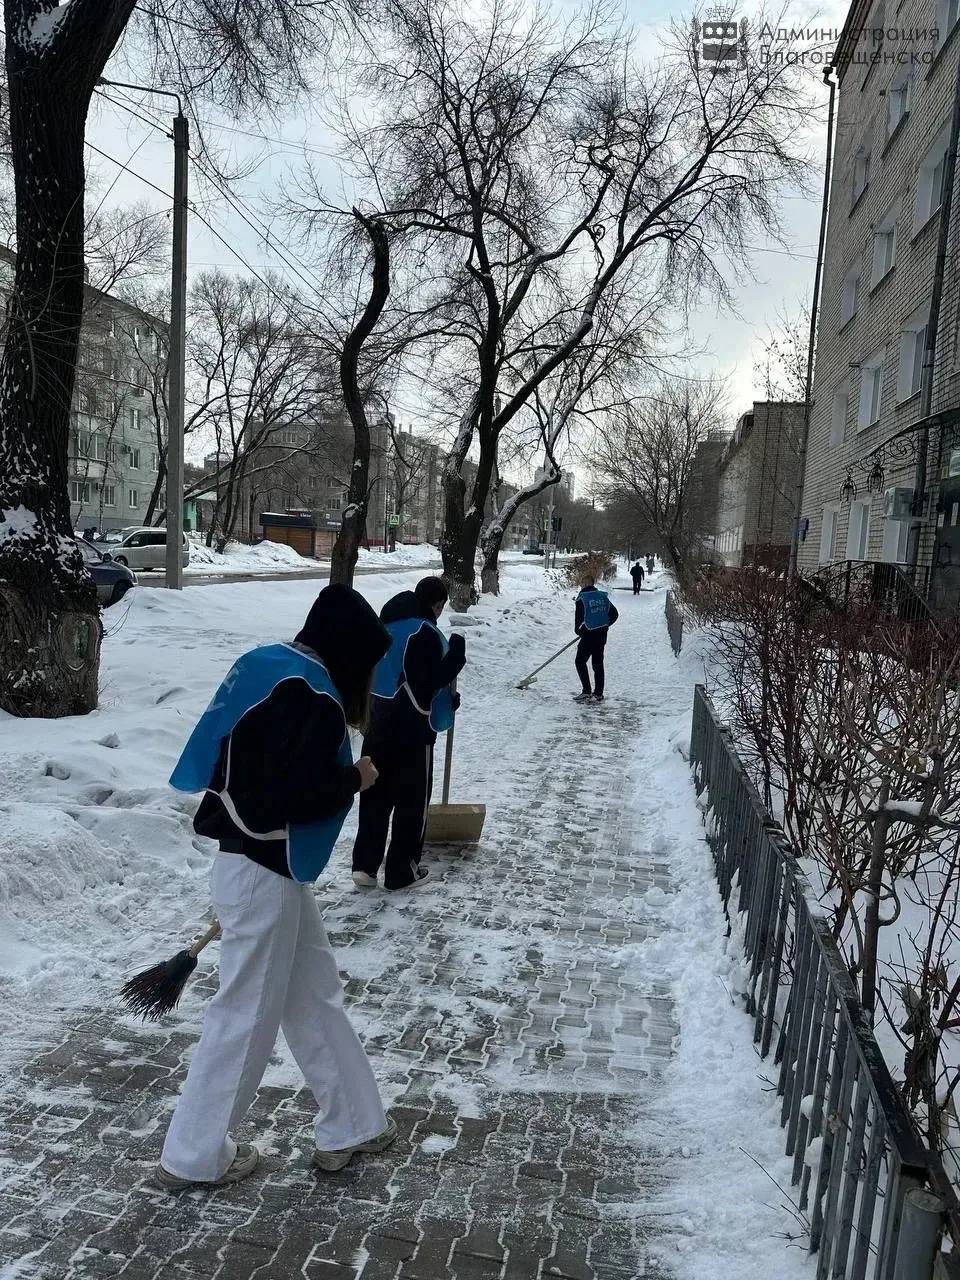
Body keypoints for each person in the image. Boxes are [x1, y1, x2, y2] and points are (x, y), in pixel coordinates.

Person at [156, 584, 395, 1191]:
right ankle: (194, 1154)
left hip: (261, 870)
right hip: (264, 873)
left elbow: (240, 770)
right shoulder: (312, 696)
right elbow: (282, 800)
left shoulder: (267, 665)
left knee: (312, 994)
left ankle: (353, 1122)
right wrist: (355, 778)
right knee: (245, 1014)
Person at [352, 576, 466, 891]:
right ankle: (401, 872)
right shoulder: (425, 632)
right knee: (411, 802)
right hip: (412, 729)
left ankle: (365, 867)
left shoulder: (383, 627)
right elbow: (426, 683)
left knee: (375, 794)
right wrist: (456, 657)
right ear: (438, 604)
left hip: (376, 722)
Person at [574, 575, 618, 702]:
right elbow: (614, 614)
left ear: (585, 583)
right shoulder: (602, 597)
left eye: (582, 583)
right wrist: (604, 625)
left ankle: (586, 691)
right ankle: (598, 693)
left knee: (580, 661)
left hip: (588, 636)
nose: (581, 585)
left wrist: (581, 632)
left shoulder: (582, 598)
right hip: (602, 635)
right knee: (598, 664)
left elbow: (578, 623)